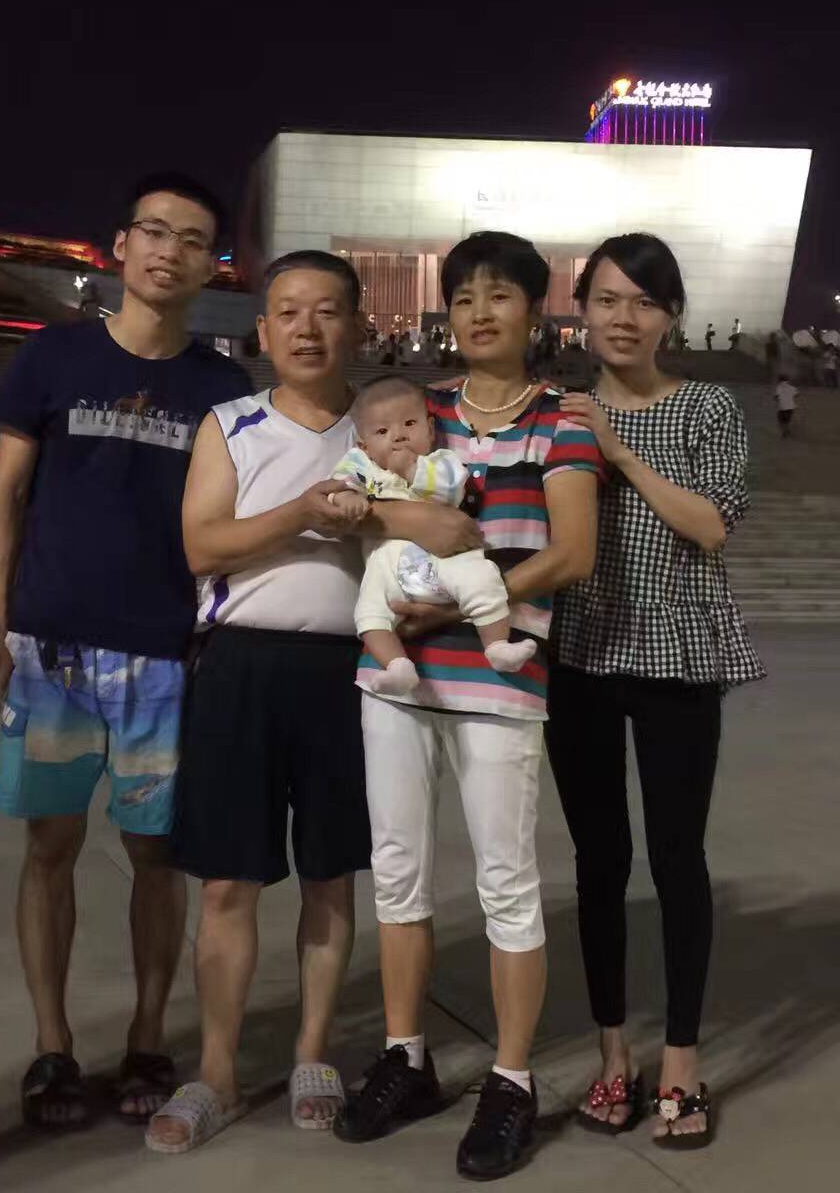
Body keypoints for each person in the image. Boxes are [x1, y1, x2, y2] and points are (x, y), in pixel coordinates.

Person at [145, 251, 483, 1153]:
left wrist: (372, 513)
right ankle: (216, 1073)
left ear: (359, 326)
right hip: (241, 667)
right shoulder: (233, 424)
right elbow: (202, 546)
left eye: (327, 310)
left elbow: (444, 522)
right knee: (228, 881)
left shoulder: (385, 429)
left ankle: (312, 1055)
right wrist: (302, 510)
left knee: (331, 877)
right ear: (263, 330)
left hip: (349, 672)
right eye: (288, 310)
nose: (306, 327)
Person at [0, 173, 252, 1127]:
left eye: (193, 240)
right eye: (155, 232)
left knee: (155, 854)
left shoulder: (222, 388)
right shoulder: (53, 355)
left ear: (212, 267)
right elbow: (5, 495)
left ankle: (146, 1040)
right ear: (122, 246)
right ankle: (53, 1048)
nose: (170, 251)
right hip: (50, 649)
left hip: (165, 655)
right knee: (49, 846)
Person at [334, 232, 602, 1181]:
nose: (480, 312)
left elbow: (571, 552)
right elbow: (363, 500)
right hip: (396, 676)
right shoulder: (420, 412)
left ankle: (511, 1079)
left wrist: (458, 600)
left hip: (497, 680)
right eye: (463, 298)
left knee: (505, 883)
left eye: (500, 295)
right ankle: (406, 1057)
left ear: (535, 310)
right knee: (398, 871)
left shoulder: (560, 423)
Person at [549, 233, 765, 1151]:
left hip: (678, 652)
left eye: (644, 301)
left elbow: (711, 525)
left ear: (672, 315)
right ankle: (614, 1053)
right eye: (607, 299)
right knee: (598, 861)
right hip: (580, 651)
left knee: (677, 858)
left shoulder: (709, 406)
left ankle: (680, 1058)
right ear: (582, 312)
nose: (624, 318)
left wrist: (620, 451)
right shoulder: (558, 409)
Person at [330, 376, 537, 693]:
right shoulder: (362, 466)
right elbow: (336, 486)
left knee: (484, 578)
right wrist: (346, 497)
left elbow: (451, 489)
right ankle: (397, 666)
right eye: (382, 432)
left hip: (446, 559)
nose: (398, 436)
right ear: (364, 446)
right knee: (369, 612)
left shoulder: (441, 461)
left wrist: (412, 470)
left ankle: (497, 646)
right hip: (387, 565)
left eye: (409, 424)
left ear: (429, 429)